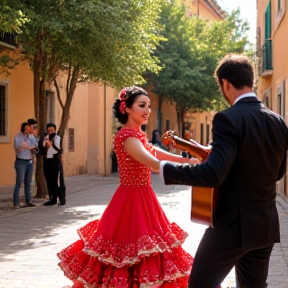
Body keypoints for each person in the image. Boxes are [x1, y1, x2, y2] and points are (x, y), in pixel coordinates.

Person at [160, 54, 288, 288]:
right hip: (266, 224)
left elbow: (213, 174)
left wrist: (167, 169)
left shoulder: (227, 119)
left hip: (232, 226)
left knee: (200, 283)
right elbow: (278, 172)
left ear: (225, 83)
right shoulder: (278, 121)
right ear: (252, 82)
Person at [57, 86, 199, 288]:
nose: (147, 110)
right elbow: (151, 161)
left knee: (146, 251)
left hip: (145, 197)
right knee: (127, 252)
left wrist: (187, 161)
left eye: (149, 106)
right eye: (142, 105)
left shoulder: (138, 135)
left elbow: (156, 153)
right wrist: (185, 170)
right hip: (130, 200)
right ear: (127, 109)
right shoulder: (127, 137)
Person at [13, 122, 38, 208]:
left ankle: (28, 200)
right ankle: (15, 202)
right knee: (19, 182)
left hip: (29, 161)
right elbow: (17, 147)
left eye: (30, 128)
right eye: (28, 128)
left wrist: (29, 146)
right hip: (21, 161)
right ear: (24, 129)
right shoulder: (18, 137)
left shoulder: (31, 137)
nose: (30, 130)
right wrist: (24, 145)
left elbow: (35, 145)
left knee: (28, 182)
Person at [42, 123, 66, 206]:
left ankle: (62, 198)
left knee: (58, 181)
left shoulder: (57, 138)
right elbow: (42, 146)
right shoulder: (45, 138)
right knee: (49, 180)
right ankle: (53, 198)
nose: (51, 131)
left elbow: (58, 149)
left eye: (52, 130)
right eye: (49, 130)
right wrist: (46, 144)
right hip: (47, 161)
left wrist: (51, 144)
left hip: (55, 161)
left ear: (55, 130)